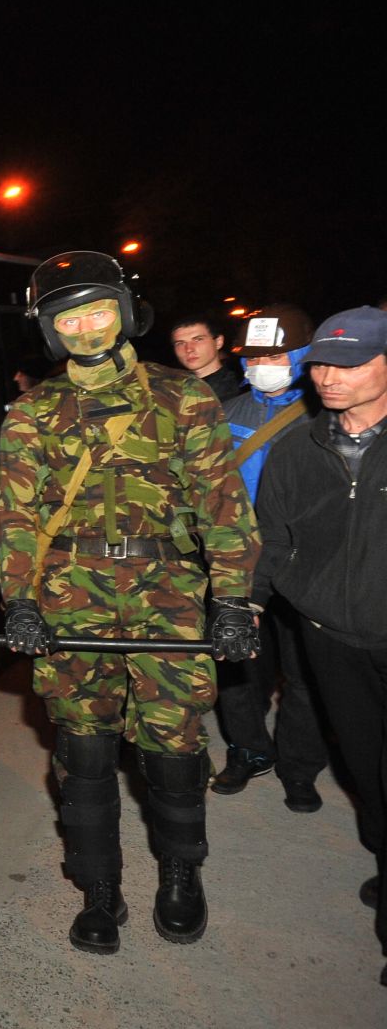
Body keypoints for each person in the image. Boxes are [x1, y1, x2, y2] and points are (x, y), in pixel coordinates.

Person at [0, 252, 259, 955]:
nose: (84, 327)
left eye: (97, 310)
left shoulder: (182, 398)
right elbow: (12, 517)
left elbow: (223, 505)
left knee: (173, 745)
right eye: (67, 316)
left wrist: (231, 598)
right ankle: (99, 888)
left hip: (167, 597)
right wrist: (18, 599)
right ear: (49, 329)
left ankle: (180, 872)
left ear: (127, 312)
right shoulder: (33, 410)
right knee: (82, 752)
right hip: (69, 602)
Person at [251, 307, 387, 987]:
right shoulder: (296, 451)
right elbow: (273, 541)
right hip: (330, 638)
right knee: (366, 770)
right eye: (323, 364)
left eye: (352, 362)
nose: (330, 376)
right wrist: (246, 602)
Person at [211, 307, 329, 808]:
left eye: (277, 356)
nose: (265, 365)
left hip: (308, 560)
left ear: (301, 358)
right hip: (242, 559)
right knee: (238, 665)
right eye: (256, 357)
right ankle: (247, 749)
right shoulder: (228, 413)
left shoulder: (325, 412)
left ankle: (300, 767)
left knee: (306, 672)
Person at [169, 313, 244, 403]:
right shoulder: (169, 390)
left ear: (218, 342)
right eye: (180, 343)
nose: (189, 349)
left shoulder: (239, 389)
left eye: (198, 339)